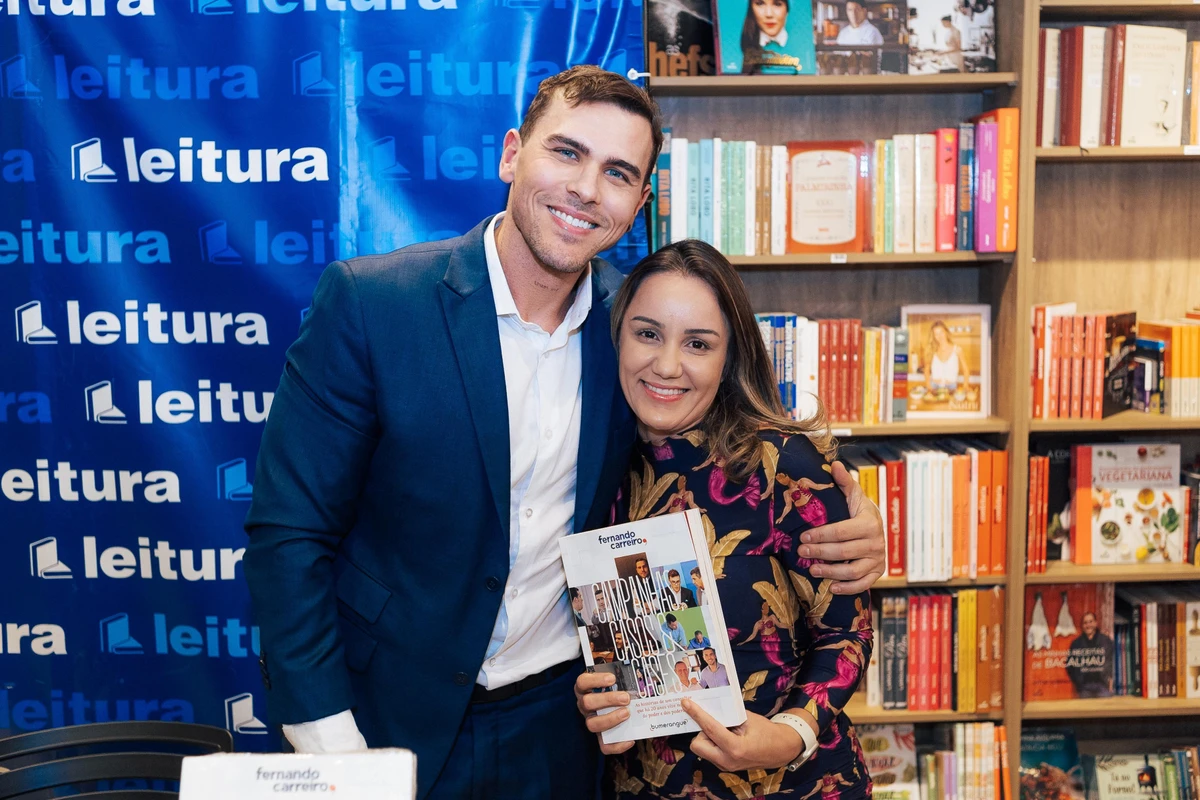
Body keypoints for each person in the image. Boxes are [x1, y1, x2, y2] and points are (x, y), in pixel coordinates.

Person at [244, 66, 885, 800]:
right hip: (387, 717)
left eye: (617, 172)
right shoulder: (372, 303)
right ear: (513, 154)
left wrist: (853, 526)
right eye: (567, 153)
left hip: (565, 731)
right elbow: (288, 533)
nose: (586, 189)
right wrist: (331, 744)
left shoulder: (636, 333)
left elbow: (740, 448)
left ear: (639, 201)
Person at [573, 240, 872, 797]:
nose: (666, 365)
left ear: (729, 356)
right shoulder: (595, 468)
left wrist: (789, 735)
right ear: (616, 339)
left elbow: (847, 634)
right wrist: (602, 702)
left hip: (792, 784)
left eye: (697, 344)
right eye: (647, 334)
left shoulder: (783, 463)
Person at [738, 0, 809, 75]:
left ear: (787, 10)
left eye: (777, 4)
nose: (769, 14)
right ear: (751, 9)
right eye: (760, 4)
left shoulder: (804, 46)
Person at [1065, 611, 1115, 698]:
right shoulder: (1076, 644)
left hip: (1102, 685)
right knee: (1085, 711)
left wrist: (1110, 681)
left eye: (1091, 622)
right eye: (1085, 623)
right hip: (1084, 687)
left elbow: (1111, 662)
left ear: (1096, 623)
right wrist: (1078, 681)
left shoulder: (1106, 641)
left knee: (1105, 711)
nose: (1088, 625)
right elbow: (1069, 665)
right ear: (1082, 626)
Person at [925, 320, 970, 392]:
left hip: (951, 387)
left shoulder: (957, 350)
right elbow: (926, 369)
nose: (940, 336)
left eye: (941, 332)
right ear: (934, 336)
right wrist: (928, 385)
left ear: (946, 332)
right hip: (934, 387)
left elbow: (966, 370)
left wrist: (965, 385)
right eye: (936, 334)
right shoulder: (932, 351)